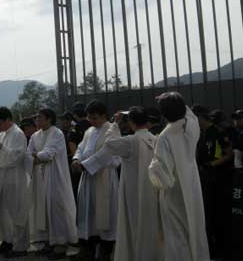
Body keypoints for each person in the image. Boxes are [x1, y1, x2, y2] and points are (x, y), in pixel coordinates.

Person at [83, 106, 162, 261]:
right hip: (152, 188)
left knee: (134, 224)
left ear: (131, 122)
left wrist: (115, 124)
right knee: (151, 223)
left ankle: (137, 255)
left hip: (133, 190)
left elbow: (110, 143)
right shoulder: (155, 138)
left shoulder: (131, 141)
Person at [148, 92, 210, 261]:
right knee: (194, 228)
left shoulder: (165, 136)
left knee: (176, 235)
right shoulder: (192, 125)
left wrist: (152, 167)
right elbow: (187, 111)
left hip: (174, 192)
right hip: (192, 184)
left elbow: (163, 175)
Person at [70, 100, 119, 261]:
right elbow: (81, 147)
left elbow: (107, 153)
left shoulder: (112, 129)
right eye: (90, 117)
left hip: (104, 177)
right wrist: (77, 159)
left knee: (105, 215)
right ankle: (88, 249)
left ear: (105, 116)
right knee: (88, 214)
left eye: (95, 117)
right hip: (88, 179)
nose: (91, 121)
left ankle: (105, 251)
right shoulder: (89, 131)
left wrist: (85, 165)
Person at [28, 108, 78, 259]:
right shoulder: (36, 135)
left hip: (55, 176)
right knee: (42, 208)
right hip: (40, 177)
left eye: (40, 117)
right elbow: (27, 153)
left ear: (49, 119)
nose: (37, 120)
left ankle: (61, 243)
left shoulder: (56, 133)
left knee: (57, 208)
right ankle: (49, 241)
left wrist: (35, 157)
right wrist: (36, 157)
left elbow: (48, 154)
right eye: (36, 117)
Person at [193, 104, 233, 258]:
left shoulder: (217, 132)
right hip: (203, 179)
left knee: (217, 214)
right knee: (206, 215)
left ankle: (222, 249)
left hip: (217, 179)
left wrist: (212, 165)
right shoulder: (199, 134)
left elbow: (229, 154)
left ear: (200, 117)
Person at [0, 107, 30, 258]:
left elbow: (17, 156)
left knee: (17, 211)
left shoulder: (18, 133)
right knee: (3, 212)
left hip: (14, 177)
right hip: (2, 176)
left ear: (8, 119)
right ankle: (7, 241)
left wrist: (1, 148)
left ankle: (20, 246)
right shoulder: (2, 134)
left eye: (0, 122)